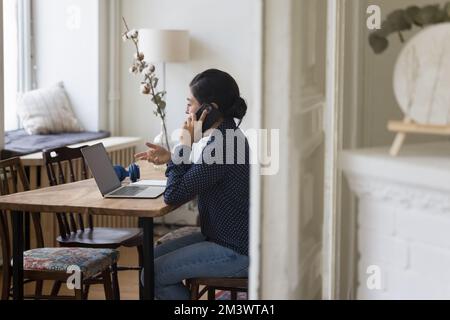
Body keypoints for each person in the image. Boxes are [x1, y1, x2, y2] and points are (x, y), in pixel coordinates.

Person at [135, 69, 250, 300]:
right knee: (151, 261)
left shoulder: (223, 146)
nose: (187, 111)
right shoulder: (226, 136)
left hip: (235, 251)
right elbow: (199, 175)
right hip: (220, 237)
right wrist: (172, 157)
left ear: (208, 108)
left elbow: (173, 195)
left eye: (190, 104)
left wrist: (184, 145)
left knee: (152, 274)